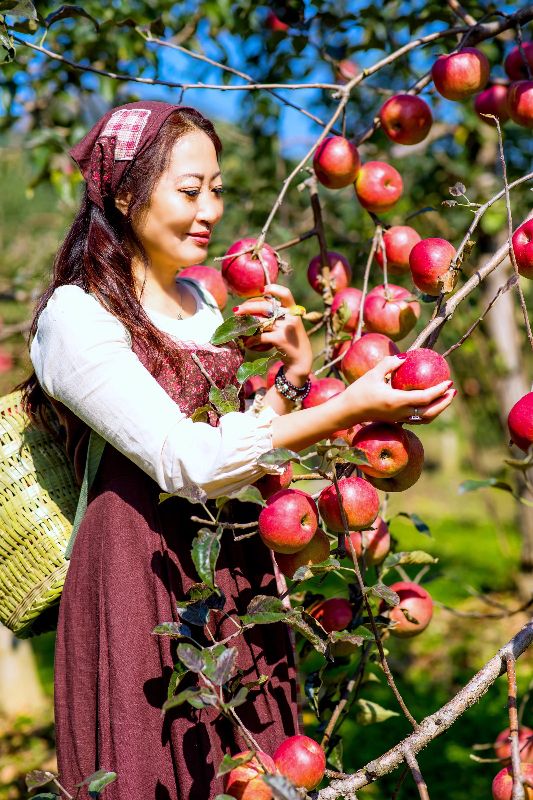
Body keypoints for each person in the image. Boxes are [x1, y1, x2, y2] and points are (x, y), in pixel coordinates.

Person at [21, 100, 454, 799]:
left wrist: (290, 373)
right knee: (151, 761)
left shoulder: (203, 304)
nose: (210, 210)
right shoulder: (77, 317)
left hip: (235, 564)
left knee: (251, 763)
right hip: (139, 572)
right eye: (189, 190)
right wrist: (349, 407)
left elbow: (245, 447)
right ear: (125, 192)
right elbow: (187, 461)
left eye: (215, 189)